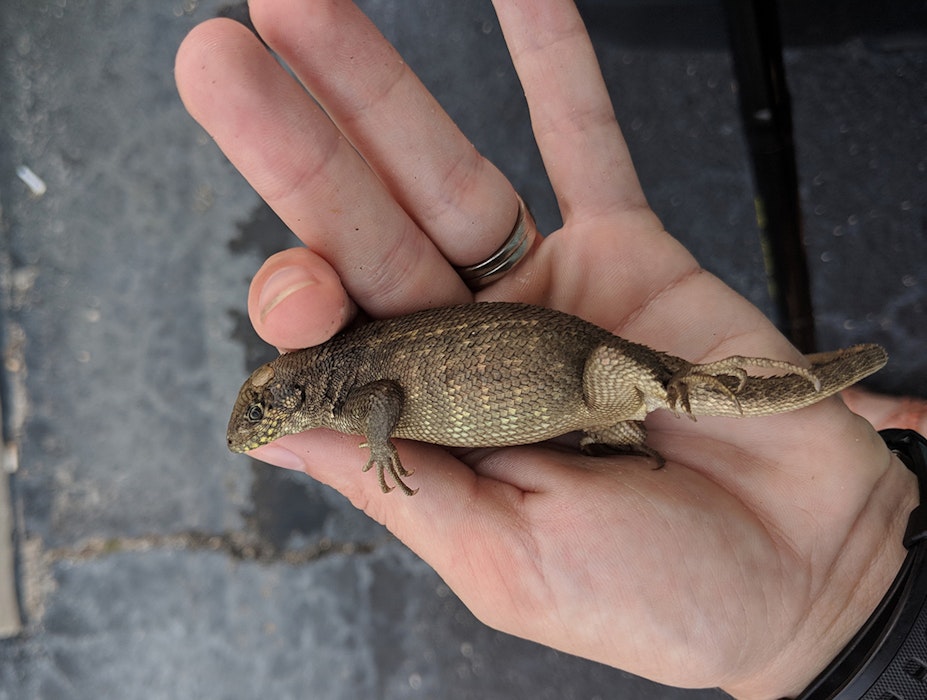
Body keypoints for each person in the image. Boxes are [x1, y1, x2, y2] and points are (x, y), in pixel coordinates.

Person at [175, 1, 926, 697]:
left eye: (259, 415)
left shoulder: (347, 395)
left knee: (688, 389)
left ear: (288, 400)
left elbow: (383, 400)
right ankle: (806, 409)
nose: (254, 433)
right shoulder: (331, 387)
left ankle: (828, 397)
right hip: (584, 386)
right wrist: (833, 613)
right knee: (666, 395)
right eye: (256, 419)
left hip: (591, 369)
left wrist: (377, 448)